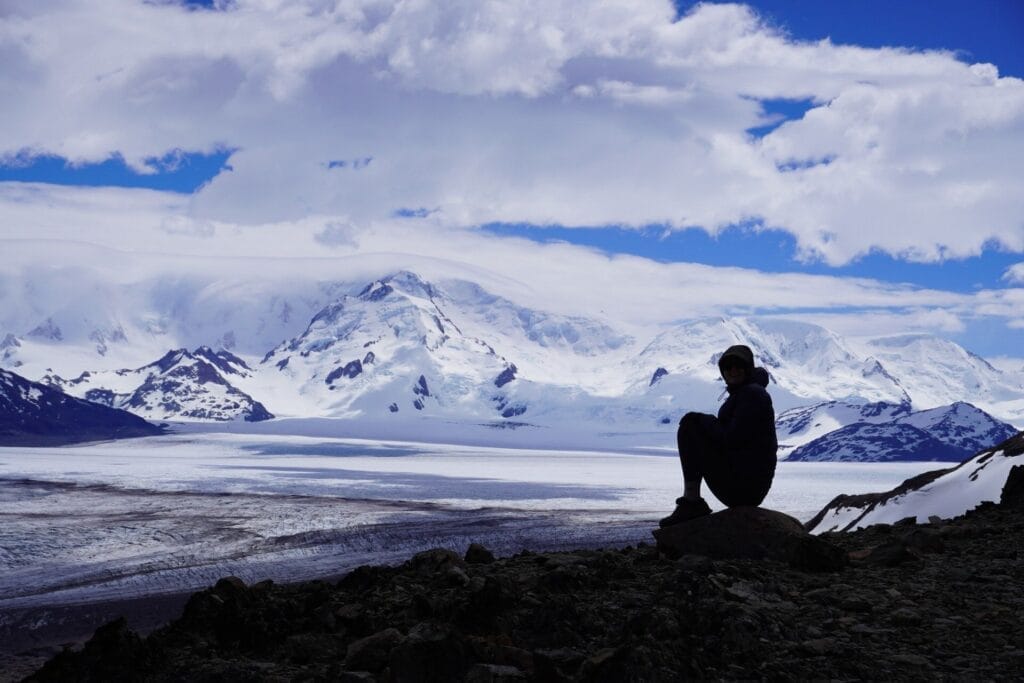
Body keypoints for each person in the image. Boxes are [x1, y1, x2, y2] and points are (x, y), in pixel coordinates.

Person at [659, 344, 777, 527]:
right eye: (728, 367)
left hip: (745, 485)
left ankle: (692, 502)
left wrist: (705, 421)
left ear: (748, 368)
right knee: (694, 424)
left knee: (691, 425)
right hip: (748, 482)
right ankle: (692, 502)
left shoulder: (752, 394)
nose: (733, 371)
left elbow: (733, 438)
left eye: (739, 366)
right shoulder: (746, 393)